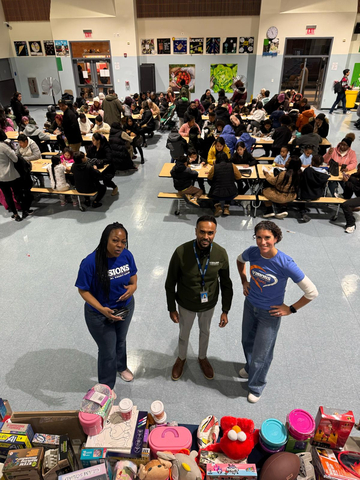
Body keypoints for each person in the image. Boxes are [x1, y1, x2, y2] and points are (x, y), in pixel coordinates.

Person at [237, 220, 318, 402]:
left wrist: (290, 309)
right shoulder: (252, 252)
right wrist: (244, 280)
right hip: (250, 306)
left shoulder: (285, 263)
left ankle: (256, 386)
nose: (262, 242)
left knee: (261, 353)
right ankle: (250, 368)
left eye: (267, 238)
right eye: (259, 237)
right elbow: (239, 260)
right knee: (247, 341)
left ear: (276, 238)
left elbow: (312, 292)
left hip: (270, 314)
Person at [165, 215, 233, 380]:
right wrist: (171, 307)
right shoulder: (181, 252)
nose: (206, 236)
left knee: (205, 332)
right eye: (202, 232)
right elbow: (170, 282)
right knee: (184, 333)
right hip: (186, 303)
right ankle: (181, 358)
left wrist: (225, 310)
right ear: (196, 231)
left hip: (208, 305)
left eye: (210, 233)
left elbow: (226, 284)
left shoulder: (220, 254)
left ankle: (202, 358)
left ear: (215, 233)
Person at [75, 222, 137, 388]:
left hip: (125, 308)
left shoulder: (126, 255)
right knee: (108, 350)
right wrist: (102, 309)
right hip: (100, 314)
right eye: (115, 240)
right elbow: (83, 291)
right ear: (105, 240)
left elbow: (133, 276)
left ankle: (121, 367)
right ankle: (106, 386)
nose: (120, 245)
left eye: (123, 241)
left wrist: (133, 287)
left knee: (121, 341)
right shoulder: (90, 263)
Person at [0, 129, 27, 221]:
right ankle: (24, 211)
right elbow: (15, 159)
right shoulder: (4, 146)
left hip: (0, 177)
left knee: (7, 196)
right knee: (18, 193)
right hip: (10, 174)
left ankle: (15, 215)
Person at [208, 151, 242, 217]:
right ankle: (226, 207)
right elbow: (239, 177)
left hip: (216, 194)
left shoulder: (214, 167)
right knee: (228, 187)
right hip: (231, 193)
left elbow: (209, 178)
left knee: (214, 189)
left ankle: (218, 206)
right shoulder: (232, 165)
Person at [298, 154, 329, 222]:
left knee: (300, 190)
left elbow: (302, 181)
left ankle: (302, 211)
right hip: (317, 194)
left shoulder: (307, 170)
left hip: (306, 193)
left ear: (312, 162)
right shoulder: (325, 174)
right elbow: (324, 185)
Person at [340, 164, 360, 233]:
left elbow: (356, 188)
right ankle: (345, 196)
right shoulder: (357, 174)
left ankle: (351, 224)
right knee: (352, 179)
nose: (358, 171)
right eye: (358, 169)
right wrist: (349, 177)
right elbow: (354, 177)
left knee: (345, 205)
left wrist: (346, 182)